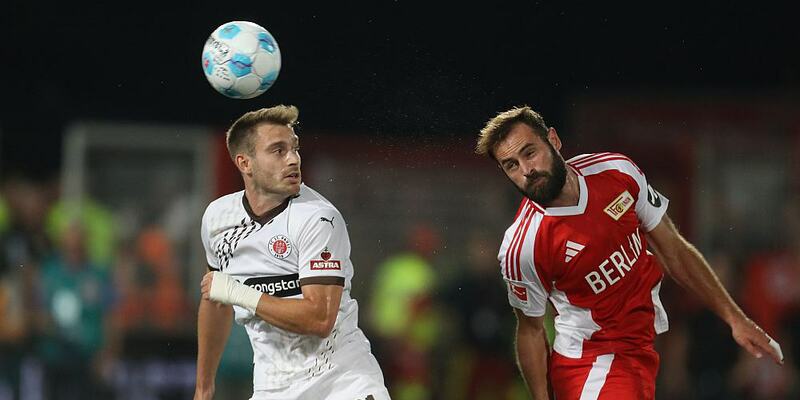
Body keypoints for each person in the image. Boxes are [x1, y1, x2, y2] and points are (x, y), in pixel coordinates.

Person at [474, 106, 784, 399]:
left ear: (553, 140)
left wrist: (735, 319)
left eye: (530, 153)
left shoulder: (615, 170)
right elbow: (530, 332)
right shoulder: (523, 247)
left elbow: (674, 251)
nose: (526, 170)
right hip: (595, 363)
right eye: (511, 165)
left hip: (639, 348)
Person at [195, 105, 389, 400]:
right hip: (272, 388)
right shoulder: (218, 218)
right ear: (245, 163)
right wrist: (204, 387)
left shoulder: (318, 218)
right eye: (278, 150)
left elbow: (319, 319)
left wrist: (240, 294)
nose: (293, 159)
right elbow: (216, 300)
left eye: (295, 149)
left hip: (342, 382)